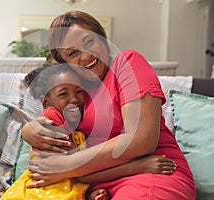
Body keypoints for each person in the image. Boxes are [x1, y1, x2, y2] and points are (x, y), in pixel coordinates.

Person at [21, 10, 196, 199]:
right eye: (72, 53)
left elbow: (140, 140)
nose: (86, 56)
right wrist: (28, 130)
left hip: (151, 174)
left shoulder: (126, 63)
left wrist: (65, 166)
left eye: (89, 42)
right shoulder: (75, 93)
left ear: (102, 38)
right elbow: (51, 125)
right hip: (95, 185)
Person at [0, 63, 108, 199]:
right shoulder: (50, 117)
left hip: (66, 182)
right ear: (46, 102)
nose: (74, 99)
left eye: (79, 91)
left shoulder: (80, 121)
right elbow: (74, 157)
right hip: (44, 186)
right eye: (63, 94)